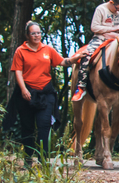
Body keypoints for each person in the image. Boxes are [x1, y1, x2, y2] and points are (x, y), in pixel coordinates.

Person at [10, 21, 79, 164]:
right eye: (33, 33)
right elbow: (18, 71)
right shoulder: (20, 51)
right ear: (27, 35)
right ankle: (28, 157)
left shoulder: (47, 49)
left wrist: (76, 59)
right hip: (27, 93)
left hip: (45, 94)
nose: (36, 36)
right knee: (27, 127)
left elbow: (62, 62)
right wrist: (23, 89)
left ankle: (43, 160)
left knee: (44, 125)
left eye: (38, 33)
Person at [71, 0, 119, 102]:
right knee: (87, 55)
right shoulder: (101, 9)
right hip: (100, 38)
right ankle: (81, 86)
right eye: (117, 9)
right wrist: (112, 29)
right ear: (111, 2)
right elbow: (94, 27)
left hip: (117, 40)